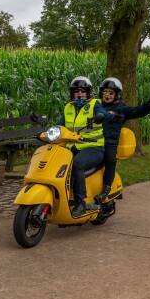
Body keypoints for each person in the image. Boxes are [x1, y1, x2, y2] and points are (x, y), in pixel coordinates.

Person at [94, 77, 150, 203]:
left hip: (109, 143)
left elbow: (134, 111)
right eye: (105, 92)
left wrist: (146, 107)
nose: (107, 95)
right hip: (93, 141)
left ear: (116, 94)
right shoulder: (96, 106)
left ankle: (106, 190)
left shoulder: (121, 108)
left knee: (110, 160)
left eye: (111, 93)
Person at [56, 76, 108, 216]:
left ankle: (80, 203)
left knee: (77, 164)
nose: (79, 94)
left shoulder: (94, 104)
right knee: (56, 164)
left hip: (93, 147)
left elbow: (102, 113)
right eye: (76, 91)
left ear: (88, 93)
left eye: (83, 91)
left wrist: (100, 115)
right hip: (72, 148)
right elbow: (60, 125)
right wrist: (50, 131)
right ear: (72, 93)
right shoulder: (69, 107)